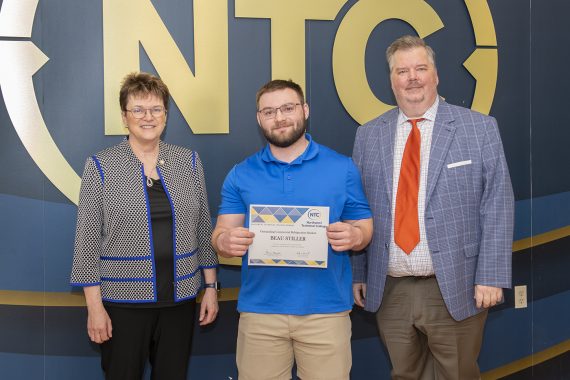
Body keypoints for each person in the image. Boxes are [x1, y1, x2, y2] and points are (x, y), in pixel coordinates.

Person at [352, 35, 514, 379]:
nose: (412, 77)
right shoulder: (368, 135)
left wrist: (490, 275)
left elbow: (497, 204)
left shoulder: (478, 128)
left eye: (420, 68)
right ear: (391, 79)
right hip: (390, 287)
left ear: (435, 75)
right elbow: (358, 207)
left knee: (458, 373)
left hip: (456, 283)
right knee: (404, 374)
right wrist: (359, 273)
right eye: (402, 71)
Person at [211, 79, 373, 380]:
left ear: (305, 110)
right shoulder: (241, 174)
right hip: (260, 314)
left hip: (326, 311)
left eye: (288, 108)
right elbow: (220, 235)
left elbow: (363, 225)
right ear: (260, 118)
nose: (280, 117)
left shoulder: (342, 168)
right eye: (269, 111)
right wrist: (225, 241)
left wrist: (356, 236)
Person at [70, 72, 219, 380]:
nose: (147, 117)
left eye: (156, 109)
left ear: (166, 115)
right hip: (123, 306)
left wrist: (211, 288)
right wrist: (94, 308)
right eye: (138, 109)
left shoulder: (188, 161)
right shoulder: (100, 165)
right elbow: (86, 243)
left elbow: (203, 229)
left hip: (180, 301)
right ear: (125, 117)